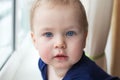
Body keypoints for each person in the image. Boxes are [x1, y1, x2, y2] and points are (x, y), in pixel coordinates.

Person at [30, 0, 120, 80]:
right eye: (48, 34)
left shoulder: (84, 76)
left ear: (84, 39)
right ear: (35, 41)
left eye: (70, 33)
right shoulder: (44, 63)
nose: (60, 43)